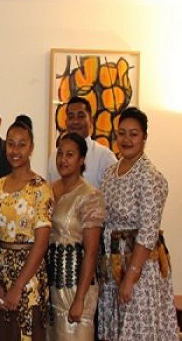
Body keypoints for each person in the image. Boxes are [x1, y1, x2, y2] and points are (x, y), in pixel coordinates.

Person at [97, 107, 177, 340]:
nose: (127, 139)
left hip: (140, 269)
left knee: (136, 330)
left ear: (144, 137)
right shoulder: (110, 173)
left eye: (133, 134)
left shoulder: (149, 176)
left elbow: (149, 231)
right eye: (122, 133)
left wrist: (131, 276)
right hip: (113, 265)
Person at [0, 115, 53, 341]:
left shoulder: (41, 189)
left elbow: (42, 242)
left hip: (30, 280)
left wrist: (18, 286)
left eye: (22, 144)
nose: (15, 150)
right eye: (10, 143)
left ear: (31, 148)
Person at [46, 132, 104, 340]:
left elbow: (91, 252)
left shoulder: (90, 196)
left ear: (81, 160)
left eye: (70, 155)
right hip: (52, 286)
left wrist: (79, 299)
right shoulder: (48, 190)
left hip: (77, 288)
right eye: (60, 154)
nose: (62, 160)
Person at [47, 97, 117, 188]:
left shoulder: (104, 157)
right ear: (66, 122)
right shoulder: (54, 156)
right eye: (71, 117)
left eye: (81, 116)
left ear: (91, 120)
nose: (75, 121)